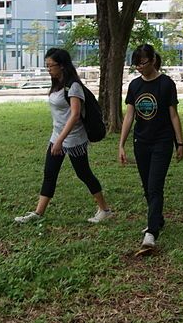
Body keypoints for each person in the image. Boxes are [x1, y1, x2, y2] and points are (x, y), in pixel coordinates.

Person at [14, 48, 112, 225]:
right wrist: (57, 138)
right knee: (49, 173)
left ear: (62, 66)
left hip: (73, 139)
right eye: (47, 66)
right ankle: (38, 212)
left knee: (84, 174)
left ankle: (104, 210)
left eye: (51, 65)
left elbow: (75, 115)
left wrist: (60, 140)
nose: (48, 69)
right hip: (57, 136)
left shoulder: (73, 86)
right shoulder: (57, 84)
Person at [119, 44, 183, 254]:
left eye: (143, 62)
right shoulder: (135, 85)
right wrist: (121, 144)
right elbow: (129, 115)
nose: (139, 67)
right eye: (136, 63)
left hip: (162, 142)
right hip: (141, 142)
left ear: (153, 60)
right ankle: (157, 218)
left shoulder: (166, 84)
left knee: (155, 186)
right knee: (147, 187)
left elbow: (173, 114)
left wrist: (180, 142)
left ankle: (151, 233)